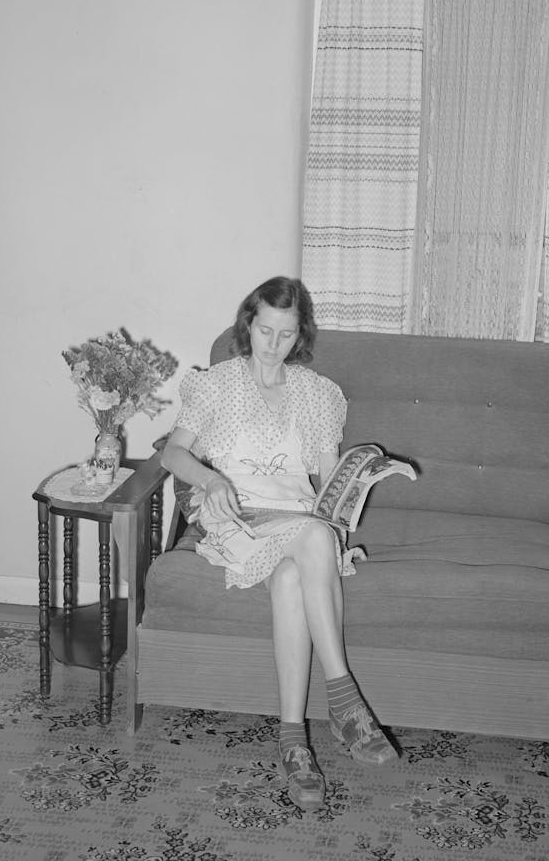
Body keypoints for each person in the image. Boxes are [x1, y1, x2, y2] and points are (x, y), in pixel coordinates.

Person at [161, 275, 397, 810]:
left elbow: (325, 475)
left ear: (299, 336)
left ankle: (293, 740)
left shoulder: (317, 394)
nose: (273, 344)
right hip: (237, 516)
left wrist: (357, 479)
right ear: (249, 324)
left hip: (299, 518)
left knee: (296, 566)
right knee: (312, 538)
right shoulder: (215, 384)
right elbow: (172, 455)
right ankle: (345, 701)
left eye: (285, 335)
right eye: (265, 330)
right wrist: (210, 479)